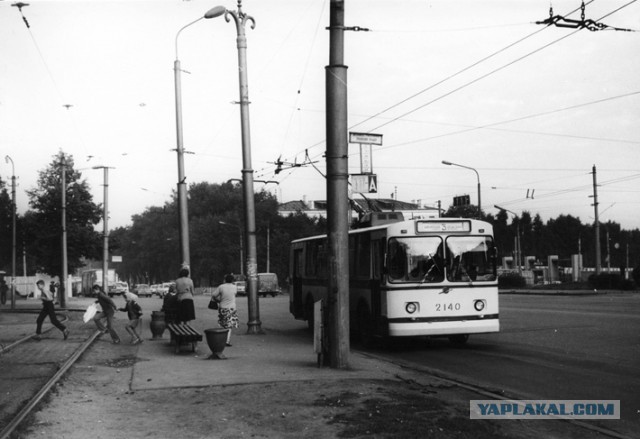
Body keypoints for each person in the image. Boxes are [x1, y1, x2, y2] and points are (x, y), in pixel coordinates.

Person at [211, 274, 239, 346]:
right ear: (232, 280)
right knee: (229, 325)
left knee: (223, 324)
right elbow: (234, 294)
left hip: (222, 307)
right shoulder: (234, 287)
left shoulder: (221, 287)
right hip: (232, 308)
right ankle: (227, 341)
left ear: (225, 280)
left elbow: (214, 295)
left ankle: (222, 339)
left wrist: (218, 300)